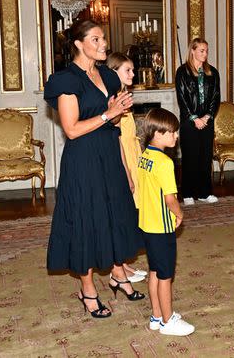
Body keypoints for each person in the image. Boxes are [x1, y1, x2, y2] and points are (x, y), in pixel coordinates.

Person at [44, 20, 143, 318]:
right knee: (85, 220)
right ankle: (87, 290)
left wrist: (118, 111)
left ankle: (117, 274)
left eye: (104, 39)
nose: (103, 45)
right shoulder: (65, 80)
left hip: (109, 155)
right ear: (78, 44)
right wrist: (108, 113)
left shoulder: (108, 77)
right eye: (96, 40)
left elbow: (112, 123)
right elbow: (71, 129)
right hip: (83, 159)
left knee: (113, 215)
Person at [137, 108, 195, 335]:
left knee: (154, 270)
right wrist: (179, 214)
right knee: (165, 276)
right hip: (162, 227)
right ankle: (168, 321)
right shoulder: (164, 163)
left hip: (147, 224)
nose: (176, 136)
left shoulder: (144, 157)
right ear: (158, 134)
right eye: (172, 132)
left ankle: (156, 315)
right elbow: (170, 198)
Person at [106, 52, 148, 283]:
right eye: (128, 70)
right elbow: (117, 141)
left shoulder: (123, 95)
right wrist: (127, 173)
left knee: (129, 213)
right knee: (121, 215)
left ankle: (123, 265)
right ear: (114, 72)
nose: (133, 74)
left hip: (133, 156)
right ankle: (117, 267)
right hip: (122, 161)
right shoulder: (114, 99)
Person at [175, 38, 220, 205]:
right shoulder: (182, 72)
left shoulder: (212, 72)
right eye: (201, 50)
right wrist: (194, 118)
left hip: (207, 121)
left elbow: (216, 97)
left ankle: (205, 192)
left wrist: (207, 116)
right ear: (192, 51)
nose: (205, 54)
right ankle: (187, 193)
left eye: (206, 50)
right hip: (189, 121)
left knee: (205, 157)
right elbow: (182, 99)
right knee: (190, 157)